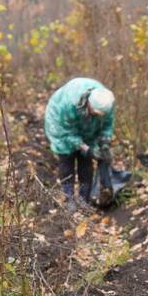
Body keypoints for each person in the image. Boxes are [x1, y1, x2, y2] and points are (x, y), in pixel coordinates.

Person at [44, 78, 115, 211]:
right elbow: (67, 133)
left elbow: (107, 124)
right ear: (89, 104)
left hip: (87, 126)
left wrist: (105, 142)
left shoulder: (106, 101)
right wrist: (86, 148)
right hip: (60, 125)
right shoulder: (68, 104)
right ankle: (69, 198)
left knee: (86, 162)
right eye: (96, 113)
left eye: (101, 114)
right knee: (67, 160)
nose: (99, 116)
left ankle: (84, 200)